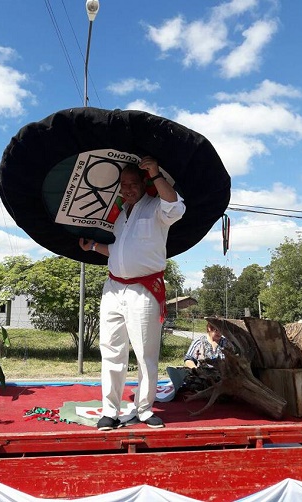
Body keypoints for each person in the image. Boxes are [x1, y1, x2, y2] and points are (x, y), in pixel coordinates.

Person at [78, 157, 186, 430]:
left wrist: (156, 172)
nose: (127, 189)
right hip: (113, 289)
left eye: (133, 183)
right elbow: (116, 251)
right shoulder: (119, 214)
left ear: (143, 184)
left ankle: (146, 410)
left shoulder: (156, 208)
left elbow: (176, 208)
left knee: (144, 353)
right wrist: (92, 247)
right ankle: (110, 411)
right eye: (123, 184)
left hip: (144, 290)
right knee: (111, 350)